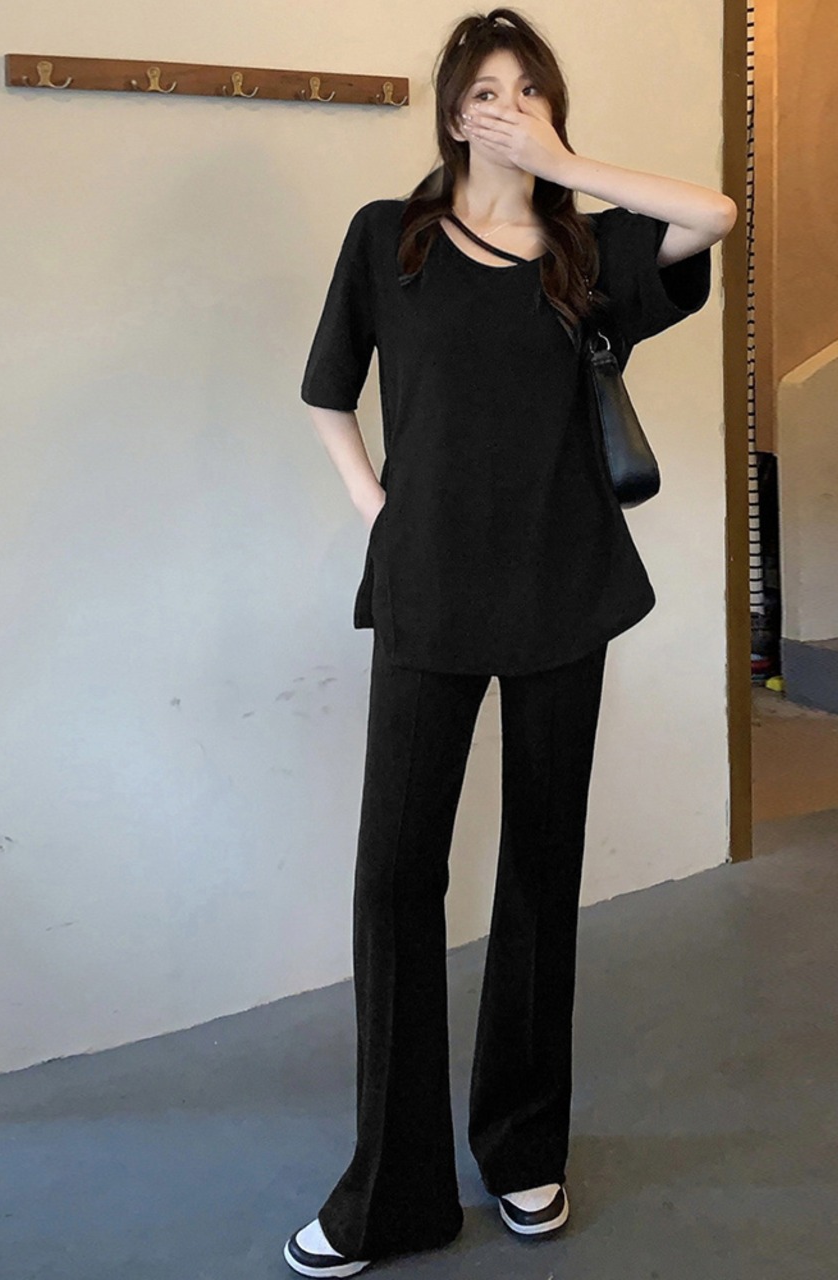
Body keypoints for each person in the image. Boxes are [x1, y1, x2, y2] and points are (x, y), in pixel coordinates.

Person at [286, 8, 736, 1276]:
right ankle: (392, 1189)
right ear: (450, 109)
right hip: (427, 591)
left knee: (541, 870)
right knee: (394, 877)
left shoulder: (587, 253)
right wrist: (379, 509)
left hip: (560, 589)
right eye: (486, 90)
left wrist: (564, 167)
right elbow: (326, 391)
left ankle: (525, 1146)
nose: (506, 106)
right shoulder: (388, 238)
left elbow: (713, 214)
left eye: (528, 89)